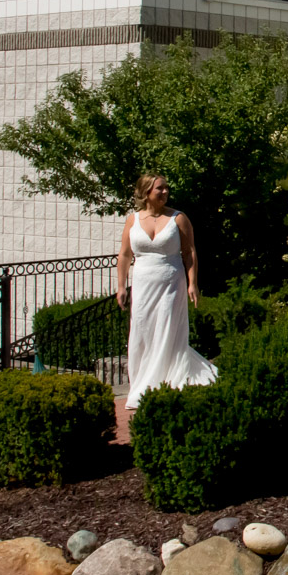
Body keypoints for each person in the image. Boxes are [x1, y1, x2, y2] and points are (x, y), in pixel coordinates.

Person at [116, 173, 218, 409]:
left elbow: (189, 252)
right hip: (143, 285)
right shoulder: (133, 220)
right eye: (159, 189)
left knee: (167, 329)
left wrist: (193, 283)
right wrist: (121, 286)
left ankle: (167, 381)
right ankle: (141, 385)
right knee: (142, 332)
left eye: (166, 188)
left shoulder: (178, 218)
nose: (165, 192)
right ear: (146, 192)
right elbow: (124, 254)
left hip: (171, 282)